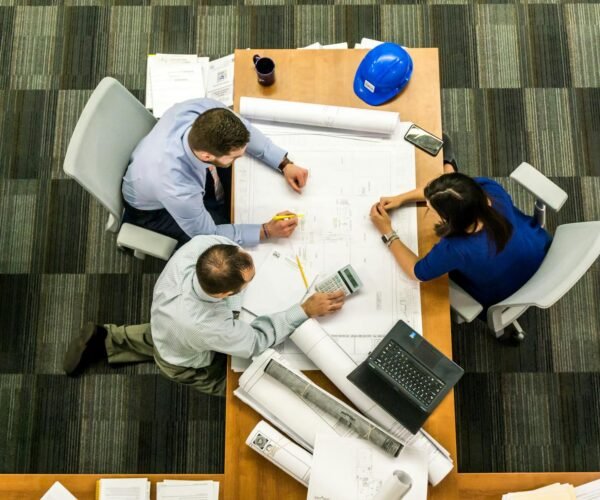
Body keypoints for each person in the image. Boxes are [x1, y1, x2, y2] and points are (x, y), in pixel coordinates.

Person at [63, 235, 345, 396]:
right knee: (239, 385)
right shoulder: (208, 326)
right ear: (225, 295)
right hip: (184, 360)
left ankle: (107, 338)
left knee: (162, 335)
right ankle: (111, 342)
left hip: (167, 321)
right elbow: (256, 341)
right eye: (248, 282)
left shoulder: (202, 248)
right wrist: (304, 309)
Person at [369, 140, 551, 340]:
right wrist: (401, 198)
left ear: (449, 219)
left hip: (505, 293)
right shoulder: (490, 191)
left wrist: (387, 232)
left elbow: (417, 272)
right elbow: (455, 190)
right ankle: (449, 167)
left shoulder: (456, 248)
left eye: (431, 209)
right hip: (541, 252)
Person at [122, 98, 310, 247]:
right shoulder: (177, 189)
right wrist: (266, 231)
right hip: (153, 211)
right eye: (235, 157)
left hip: (156, 167)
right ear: (207, 156)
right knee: (221, 240)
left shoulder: (205, 111)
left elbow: (246, 130)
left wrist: (284, 163)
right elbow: (208, 234)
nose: (240, 158)